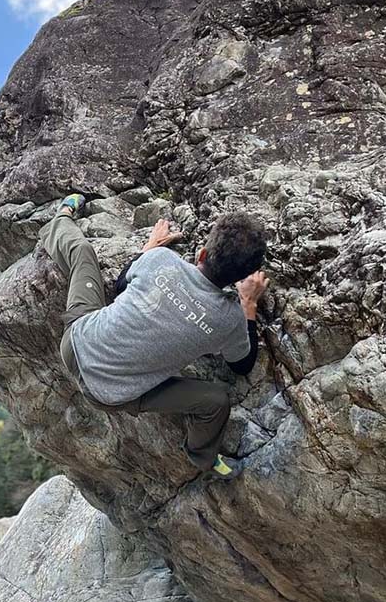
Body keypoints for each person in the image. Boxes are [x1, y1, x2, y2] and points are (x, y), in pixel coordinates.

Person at [40, 193, 269, 479]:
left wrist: (148, 249)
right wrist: (248, 305)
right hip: (111, 397)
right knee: (217, 400)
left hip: (76, 344)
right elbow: (242, 365)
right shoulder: (229, 318)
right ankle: (202, 458)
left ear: (202, 253)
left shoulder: (161, 259)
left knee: (82, 253)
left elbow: (122, 284)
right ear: (240, 278)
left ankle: (61, 218)